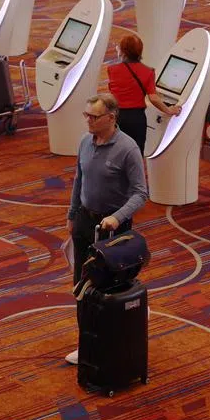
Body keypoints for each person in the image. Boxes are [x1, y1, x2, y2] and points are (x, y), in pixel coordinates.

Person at [65, 94, 148, 364]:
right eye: (86, 115)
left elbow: (140, 193)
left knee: (109, 287)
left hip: (114, 231)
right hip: (85, 222)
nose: (88, 120)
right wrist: (72, 214)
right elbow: (79, 179)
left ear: (111, 118)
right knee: (82, 284)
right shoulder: (84, 142)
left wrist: (117, 216)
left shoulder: (128, 149)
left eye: (94, 116)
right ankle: (87, 343)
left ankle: (114, 341)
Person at [107, 35, 182, 154]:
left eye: (118, 47)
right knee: (135, 153)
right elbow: (153, 98)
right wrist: (169, 110)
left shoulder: (112, 70)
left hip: (117, 116)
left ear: (123, 51)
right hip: (137, 118)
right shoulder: (148, 72)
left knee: (115, 152)